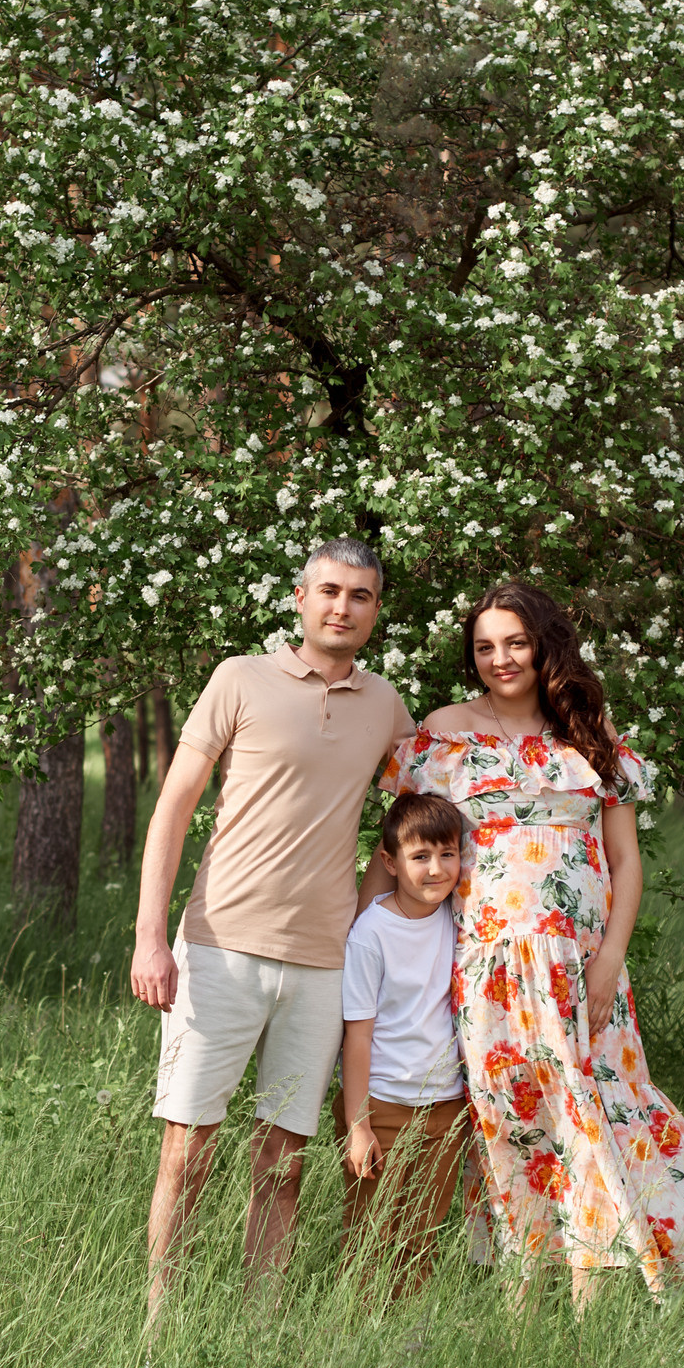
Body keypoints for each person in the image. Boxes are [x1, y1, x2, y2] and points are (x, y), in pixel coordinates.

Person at [376, 578, 684, 1304]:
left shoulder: (587, 734)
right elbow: (396, 846)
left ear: (545, 643)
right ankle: (521, 1298)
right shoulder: (445, 732)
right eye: (484, 647)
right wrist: (370, 937)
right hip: (484, 962)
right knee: (510, 1119)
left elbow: (626, 860)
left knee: (593, 1109)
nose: (500, 659)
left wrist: (610, 957)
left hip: (579, 966)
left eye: (515, 642)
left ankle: (595, 1293)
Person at [131, 539, 414, 1307]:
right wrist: (149, 938)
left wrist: (367, 923)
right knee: (186, 1155)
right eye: (328, 591)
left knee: (282, 1166)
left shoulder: (386, 706)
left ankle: (260, 1332)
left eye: (360, 596)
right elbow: (174, 808)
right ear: (299, 597)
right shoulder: (239, 678)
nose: (341, 607)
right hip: (218, 948)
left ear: (375, 611)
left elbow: (412, 823)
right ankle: (162, 1326)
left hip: (323, 964)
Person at [337, 790, 471, 1296]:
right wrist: (357, 1125)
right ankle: (357, 1339)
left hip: (444, 1105)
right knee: (371, 1237)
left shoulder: (458, 918)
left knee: (420, 1239)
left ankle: (407, 1347)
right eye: (420, 857)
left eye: (448, 854)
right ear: (390, 863)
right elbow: (358, 1035)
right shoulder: (371, 932)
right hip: (383, 1106)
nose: (436, 869)